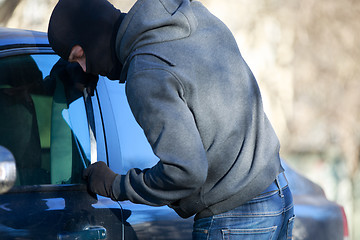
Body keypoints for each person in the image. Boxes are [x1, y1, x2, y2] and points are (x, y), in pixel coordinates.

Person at [48, 0, 295, 239]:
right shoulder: (188, 15)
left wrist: (115, 184)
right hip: (277, 193)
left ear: (93, 36)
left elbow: (185, 172)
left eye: (79, 56)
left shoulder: (145, 73)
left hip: (234, 218)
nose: (84, 68)